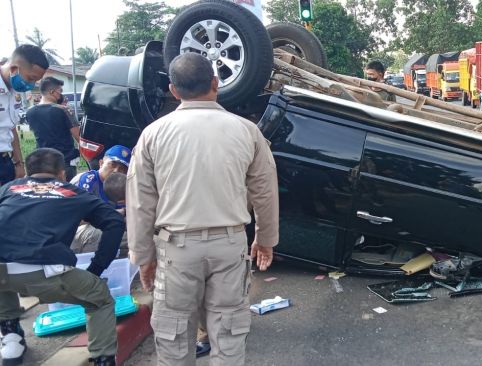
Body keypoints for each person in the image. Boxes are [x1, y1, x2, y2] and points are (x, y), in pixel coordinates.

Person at [127, 52, 279, 366]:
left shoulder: (153, 135)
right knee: (228, 336)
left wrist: (143, 257)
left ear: (173, 90)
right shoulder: (247, 131)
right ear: (215, 83)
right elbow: (264, 190)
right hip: (230, 245)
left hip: (176, 249)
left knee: (174, 339)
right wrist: (265, 238)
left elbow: (141, 203)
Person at [0, 148, 125, 366]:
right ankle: (103, 359)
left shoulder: (8, 188)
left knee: (4, 276)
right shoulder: (73, 192)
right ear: (62, 174)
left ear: (28, 172)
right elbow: (114, 222)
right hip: (46, 270)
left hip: (2, 269)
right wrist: (96, 269)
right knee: (100, 299)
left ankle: (11, 339)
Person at [0, 45, 49, 185]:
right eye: (30, 78)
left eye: (35, 81)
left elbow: (11, 128)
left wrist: (18, 164)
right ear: (14, 69)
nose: (31, 84)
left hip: (6, 161)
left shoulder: (13, 90)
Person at [26, 77, 80, 181]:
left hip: (41, 161)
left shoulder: (30, 112)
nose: (61, 94)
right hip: (64, 161)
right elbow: (79, 137)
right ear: (52, 92)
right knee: (66, 193)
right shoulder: (64, 110)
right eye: (60, 91)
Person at [71, 172, 128, 255]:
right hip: (78, 237)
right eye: (113, 164)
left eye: (122, 168)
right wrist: (117, 213)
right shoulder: (87, 183)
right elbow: (77, 219)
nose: (116, 170)